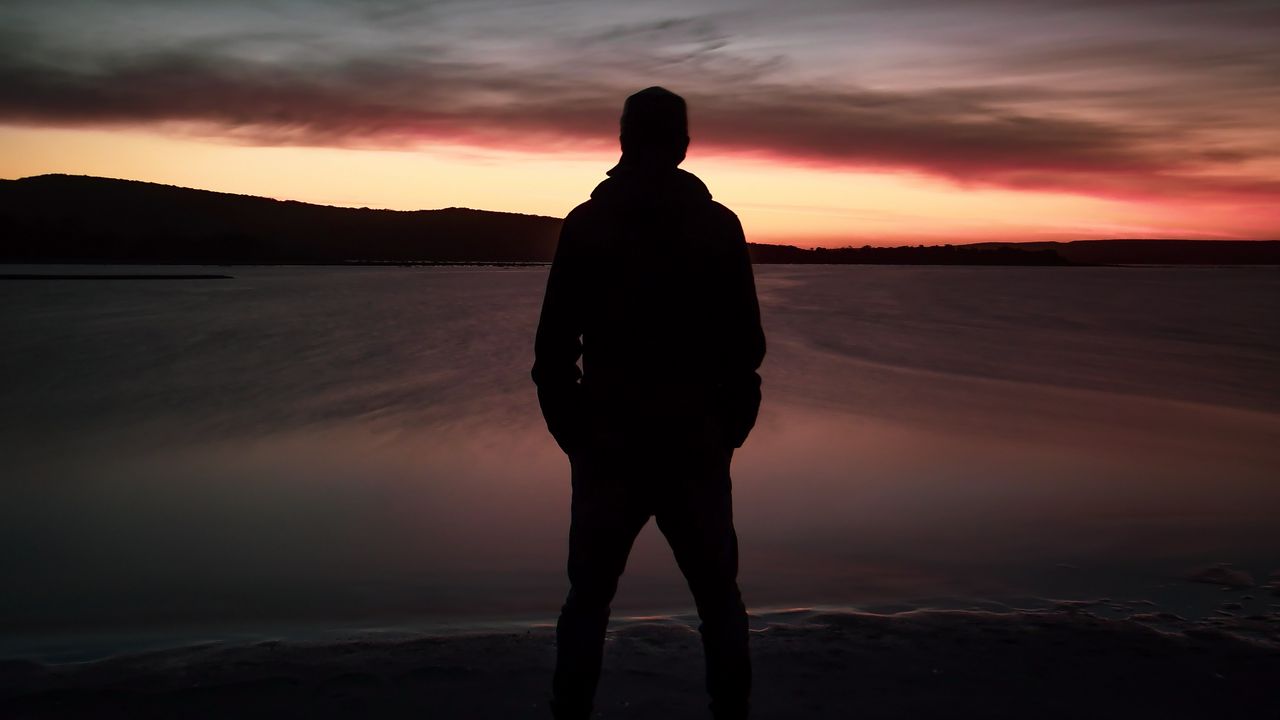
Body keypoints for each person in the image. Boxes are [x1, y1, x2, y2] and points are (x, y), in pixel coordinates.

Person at [532, 86, 766, 720]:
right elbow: (747, 347)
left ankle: (570, 710)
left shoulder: (589, 223)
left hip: (613, 439)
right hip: (689, 439)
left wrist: (576, 431)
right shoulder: (717, 225)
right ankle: (731, 710)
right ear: (684, 143)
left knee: (589, 599)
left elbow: (553, 351)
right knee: (718, 597)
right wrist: (726, 427)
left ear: (624, 141)